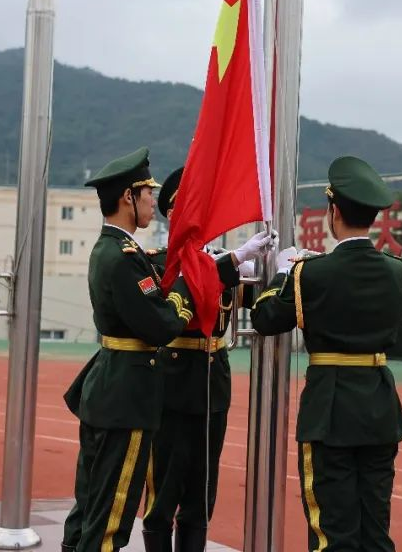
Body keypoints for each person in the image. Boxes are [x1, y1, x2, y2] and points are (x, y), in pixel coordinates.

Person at [251, 156, 402, 552]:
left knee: (332, 532)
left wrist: (284, 272)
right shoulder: (395, 270)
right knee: (375, 531)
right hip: (379, 407)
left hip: (330, 410)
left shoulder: (311, 273)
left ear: (333, 212)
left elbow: (266, 317)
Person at [60, 148, 194, 552]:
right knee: (110, 517)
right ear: (127, 198)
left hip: (111, 388)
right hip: (127, 397)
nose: (154, 201)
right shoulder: (123, 258)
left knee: (89, 505)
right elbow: (161, 326)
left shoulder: (114, 250)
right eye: (148, 193)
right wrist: (188, 286)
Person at [141, 166, 272, 552]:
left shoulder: (220, 261)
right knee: (163, 492)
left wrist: (275, 269)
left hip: (213, 383)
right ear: (173, 214)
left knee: (201, 493)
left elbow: (257, 301)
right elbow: (191, 280)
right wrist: (232, 261)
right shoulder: (159, 262)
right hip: (172, 384)